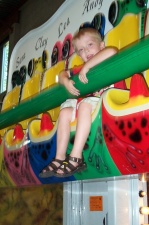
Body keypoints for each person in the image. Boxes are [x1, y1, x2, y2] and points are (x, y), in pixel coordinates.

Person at [39, 27, 117, 178]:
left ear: (101, 45)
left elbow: (112, 51)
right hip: (88, 105)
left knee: (84, 105)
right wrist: (66, 81)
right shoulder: (79, 68)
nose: (86, 51)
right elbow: (62, 74)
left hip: (107, 101)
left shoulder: (105, 56)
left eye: (90, 45)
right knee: (65, 111)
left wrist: (87, 67)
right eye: (81, 50)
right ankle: (60, 156)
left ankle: (76, 156)